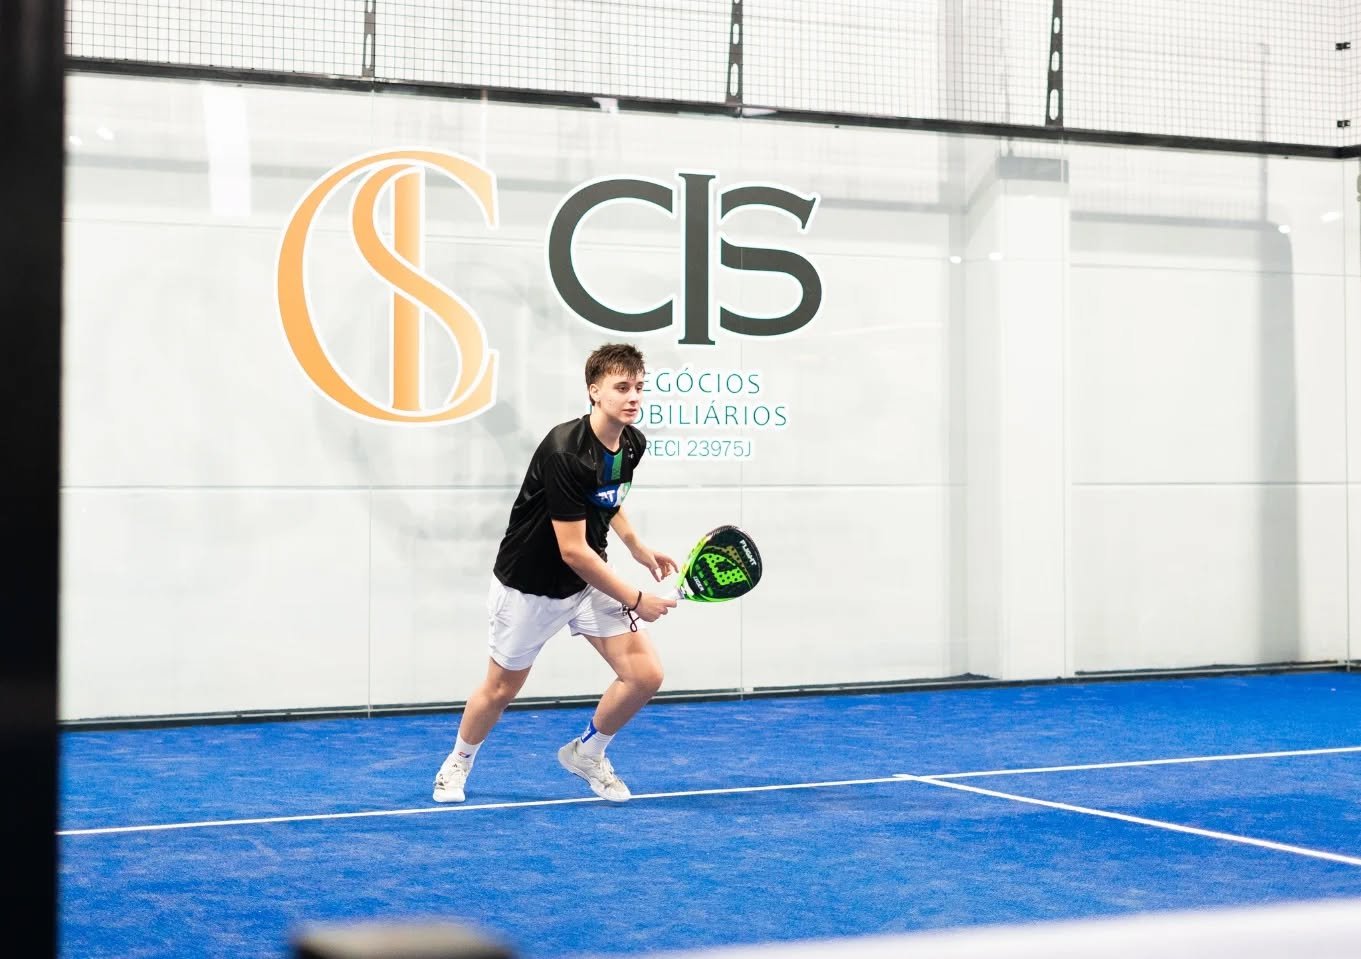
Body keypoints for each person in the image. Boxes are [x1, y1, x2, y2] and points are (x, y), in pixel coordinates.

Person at [433, 343, 678, 804]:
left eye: (639, 387)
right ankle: (458, 761)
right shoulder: (565, 451)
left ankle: (588, 753)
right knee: (501, 688)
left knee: (644, 674)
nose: (633, 397)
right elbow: (572, 551)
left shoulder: (631, 443)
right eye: (621, 387)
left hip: (587, 582)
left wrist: (636, 545)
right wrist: (636, 599)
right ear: (594, 391)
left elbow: (606, 498)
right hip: (530, 587)